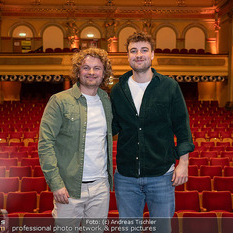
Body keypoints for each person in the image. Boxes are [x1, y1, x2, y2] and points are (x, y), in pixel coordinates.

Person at [110, 32, 195, 233]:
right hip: (126, 177)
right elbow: (111, 128)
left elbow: (182, 128)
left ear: (152, 54)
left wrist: (183, 164)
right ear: (127, 56)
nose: (139, 55)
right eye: (133, 50)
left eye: (144, 50)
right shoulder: (117, 90)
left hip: (162, 176)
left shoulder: (169, 87)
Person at [38, 48, 113, 233]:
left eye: (97, 68)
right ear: (78, 71)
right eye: (86, 67)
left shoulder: (106, 100)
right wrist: (56, 184)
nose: (91, 72)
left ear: (104, 73)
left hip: (100, 187)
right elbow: (45, 144)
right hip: (69, 188)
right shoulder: (59, 101)